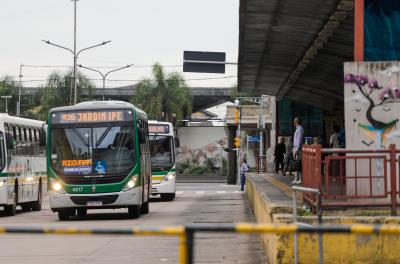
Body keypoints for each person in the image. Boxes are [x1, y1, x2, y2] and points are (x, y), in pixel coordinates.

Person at [292, 118, 304, 184]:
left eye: (294, 121)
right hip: (296, 148)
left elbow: (299, 140)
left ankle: (300, 178)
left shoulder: (300, 129)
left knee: (298, 164)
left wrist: (296, 150)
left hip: (298, 149)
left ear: (296, 122)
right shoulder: (298, 129)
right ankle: (296, 178)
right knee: (296, 164)